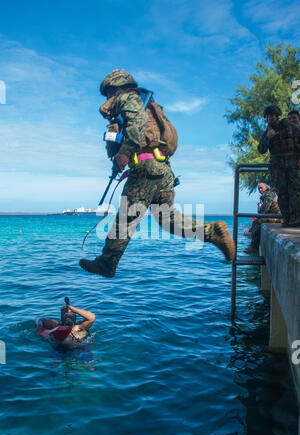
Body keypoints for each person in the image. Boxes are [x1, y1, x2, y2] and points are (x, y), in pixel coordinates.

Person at [80, 69, 235, 278]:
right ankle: (212, 232)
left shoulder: (128, 98)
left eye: (108, 93)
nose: (108, 99)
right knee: (166, 219)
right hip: (162, 169)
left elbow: (136, 123)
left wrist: (125, 153)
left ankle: (107, 263)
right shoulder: (151, 106)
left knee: (126, 217)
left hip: (146, 168)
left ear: (116, 87)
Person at [258, 105, 300, 227]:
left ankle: (296, 218)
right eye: (268, 115)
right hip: (278, 167)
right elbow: (261, 149)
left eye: (272, 115)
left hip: (293, 164)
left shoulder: (291, 127)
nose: (270, 117)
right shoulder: (267, 132)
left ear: (277, 115)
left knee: (295, 191)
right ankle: (286, 218)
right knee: (282, 192)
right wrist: (268, 138)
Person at [244, 183, 281, 254]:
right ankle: (253, 244)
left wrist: (260, 206)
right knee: (256, 222)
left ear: (266, 187)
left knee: (257, 222)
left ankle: (254, 247)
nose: (260, 190)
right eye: (258, 189)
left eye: (261, 188)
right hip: (276, 216)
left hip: (277, 217)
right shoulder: (270, 194)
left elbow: (264, 210)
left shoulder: (269, 195)